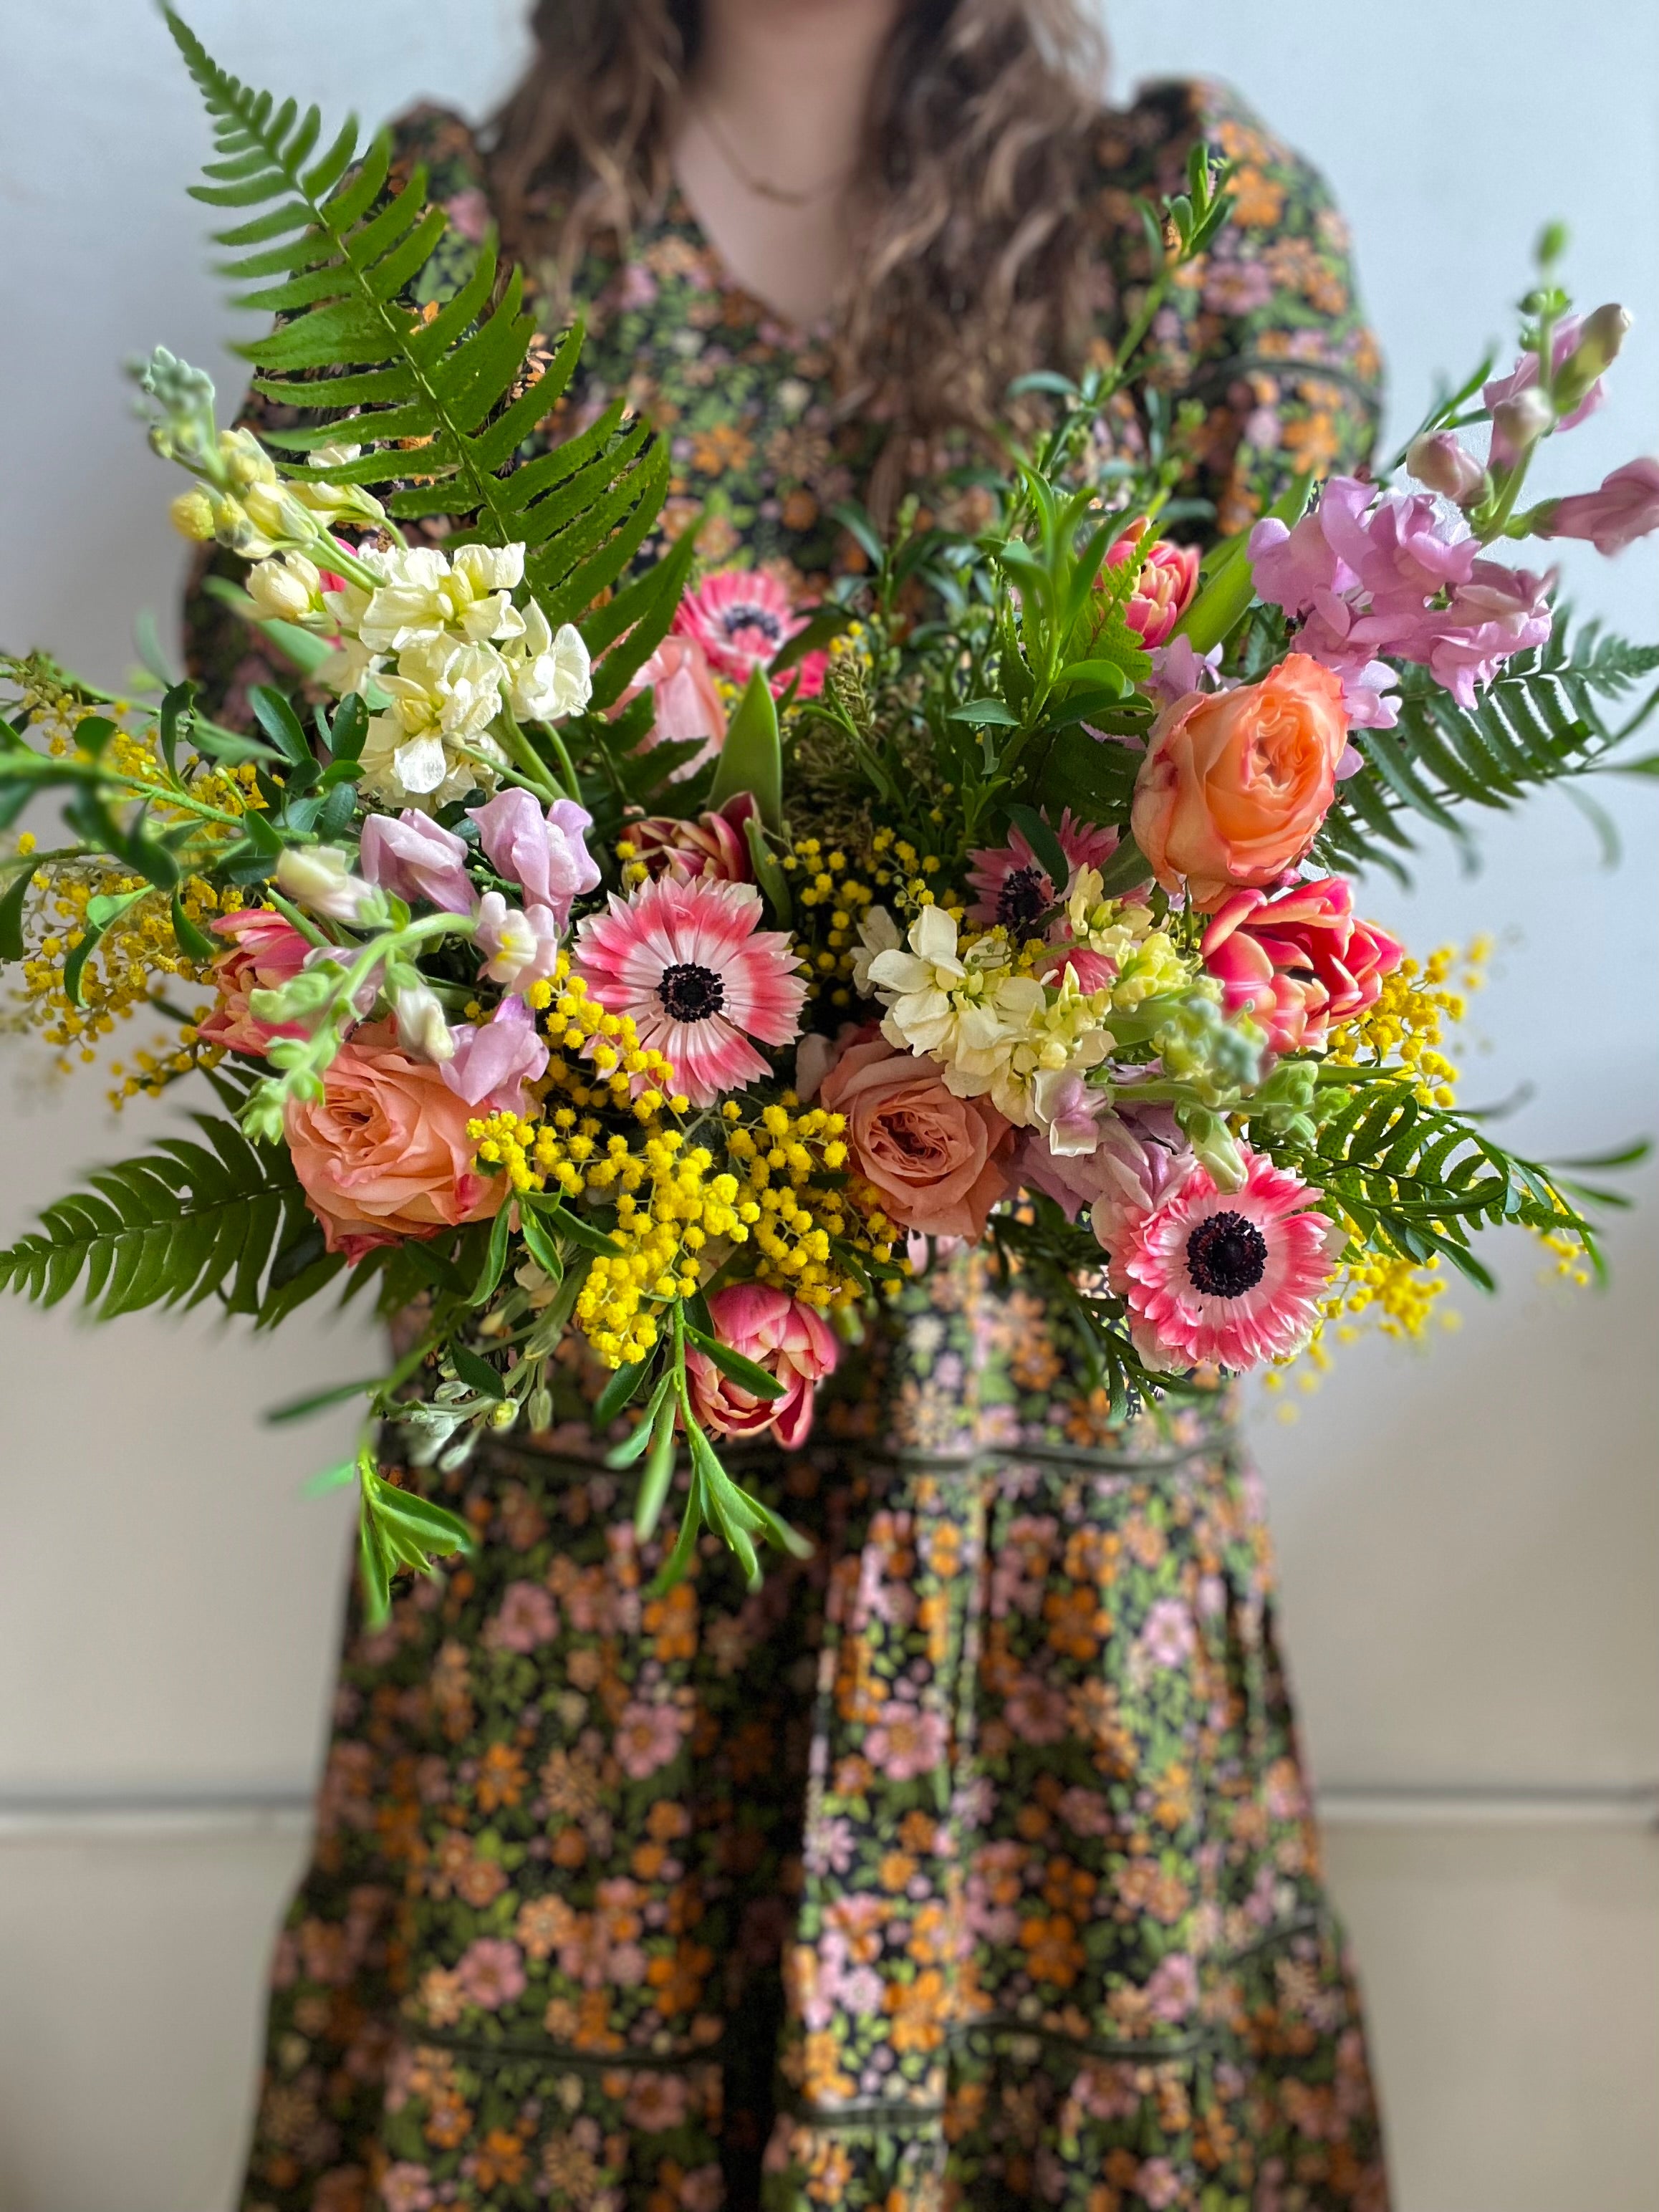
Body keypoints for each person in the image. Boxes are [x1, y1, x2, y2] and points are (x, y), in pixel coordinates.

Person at [188, 6, 1390, 2208]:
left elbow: (1318, 741)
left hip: (1030, 1441)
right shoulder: (443, 245)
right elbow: (279, 772)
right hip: (596, 1420)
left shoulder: (1188, 233)